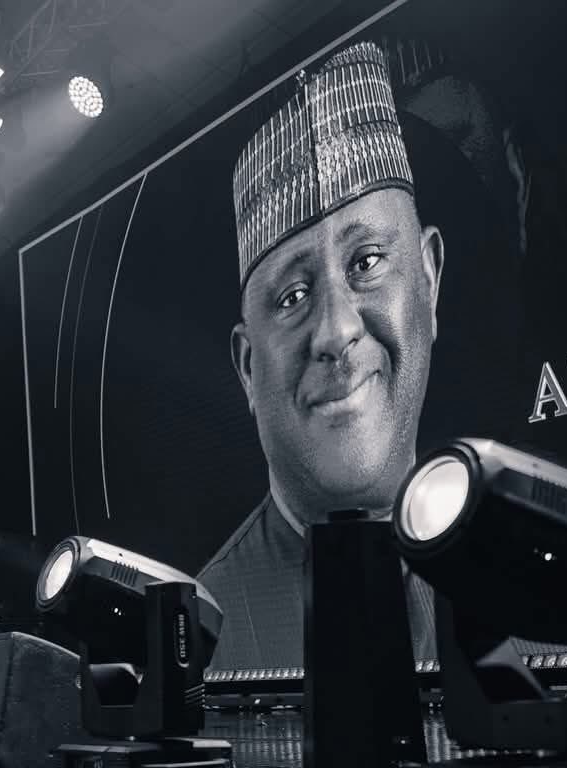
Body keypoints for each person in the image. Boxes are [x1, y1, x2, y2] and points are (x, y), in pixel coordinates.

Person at [201, 41, 444, 670]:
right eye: (292, 297)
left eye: (367, 262)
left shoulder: (539, 591)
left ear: (428, 277)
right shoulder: (204, 646)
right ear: (247, 366)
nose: (336, 331)